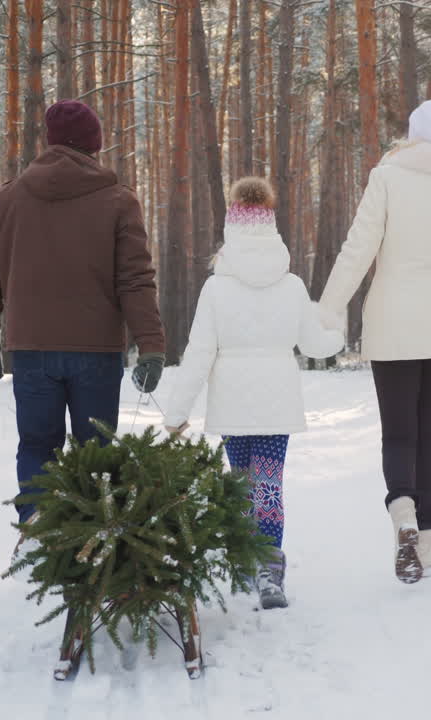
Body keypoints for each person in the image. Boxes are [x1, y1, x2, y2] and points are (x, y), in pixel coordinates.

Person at [0, 100, 167, 543]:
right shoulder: (119, 200)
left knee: (38, 445)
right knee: (97, 451)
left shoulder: (7, 198)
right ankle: (94, 544)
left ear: (50, 141)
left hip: (31, 350)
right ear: (94, 145)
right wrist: (150, 345)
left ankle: (39, 536)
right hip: (96, 352)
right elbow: (136, 279)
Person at [319, 99, 431, 584]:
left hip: (394, 319)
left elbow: (359, 248)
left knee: (398, 432)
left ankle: (403, 517)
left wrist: (329, 308)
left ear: (411, 137)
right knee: (430, 433)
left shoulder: (388, 177)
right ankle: (428, 545)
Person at [161, 177, 343, 610]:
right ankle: (267, 567)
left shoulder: (217, 288)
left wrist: (176, 412)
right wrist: (335, 334)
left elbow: (199, 353)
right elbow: (315, 346)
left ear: (232, 227)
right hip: (276, 404)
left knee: (241, 484)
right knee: (269, 485)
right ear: (272, 226)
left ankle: (246, 558)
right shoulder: (292, 285)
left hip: (233, 405)